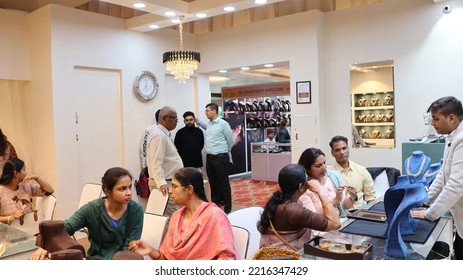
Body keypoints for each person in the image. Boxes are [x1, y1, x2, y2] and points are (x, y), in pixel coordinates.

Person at [31, 167, 144, 260]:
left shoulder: (136, 210)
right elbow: (66, 227)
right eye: (122, 189)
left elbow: (128, 249)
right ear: (107, 191)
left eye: (130, 187)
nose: (129, 193)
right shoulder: (93, 209)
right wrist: (47, 245)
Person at [129, 167, 236, 260]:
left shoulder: (214, 216)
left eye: (175, 186)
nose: (170, 191)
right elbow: (167, 259)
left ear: (189, 189)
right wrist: (150, 250)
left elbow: (226, 258)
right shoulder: (176, 217)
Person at [411, 96, 463, 260]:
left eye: (436, 118)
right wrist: (426, 200)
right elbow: (443, 173)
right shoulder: (452, 137)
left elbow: (456, 184)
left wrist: (429, 213)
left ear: (451, 118)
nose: (433, 123)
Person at [258, 164, 341, 251]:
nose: (309, 182)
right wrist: (320, 191)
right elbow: (335, 224)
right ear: (301, 187)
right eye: (307, 179)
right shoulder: (293, 210)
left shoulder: (280, 200)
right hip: (284, 258)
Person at [297, 148, 357, 218]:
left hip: (340, 220)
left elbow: (344, 206)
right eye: (318, 166)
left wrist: (352, 197)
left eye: (324, 163)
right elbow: (313, 217)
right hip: (322, 227)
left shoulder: (333, 177)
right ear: (308, 169)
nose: (324, 168)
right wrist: (335, 200)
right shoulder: (304, 189)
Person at [146, 106, 183, 216]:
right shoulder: (159, 135)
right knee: (173, 216)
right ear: (165, 118)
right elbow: (156, 162)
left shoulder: (163, 133)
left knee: (172, 216)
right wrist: (161, 183)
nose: (176, 121)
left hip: (169, 181)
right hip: (164, 183)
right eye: (174, 118)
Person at [0, 158, 54, 225]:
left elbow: (50, 190)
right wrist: (11, 218)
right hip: (9, 232)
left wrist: (37, 178)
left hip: (30, 229)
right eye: (24, 170)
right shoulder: (1, 191)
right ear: (16, 173)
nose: (26, 173)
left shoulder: (25, 186)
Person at [328, 135, 376, 210]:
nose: (342, 152)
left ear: (348, 149)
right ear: (332, 153)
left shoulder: (361, 170)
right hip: (340, 215)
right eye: (337, 150)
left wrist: (370, 213)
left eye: (344, 148)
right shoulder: (328, 174)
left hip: (361, 213)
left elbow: (371, 198)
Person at [204, 103, 234, 213]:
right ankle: (215, 207)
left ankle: (227, 209)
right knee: (213, 183)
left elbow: (230, 141)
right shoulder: (209, 124)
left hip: (221, 157)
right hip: (210, 158)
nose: (206, 113)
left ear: (214, 111)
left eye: (207, 110)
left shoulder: (223, 124)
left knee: (224, 183)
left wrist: (224, 150)